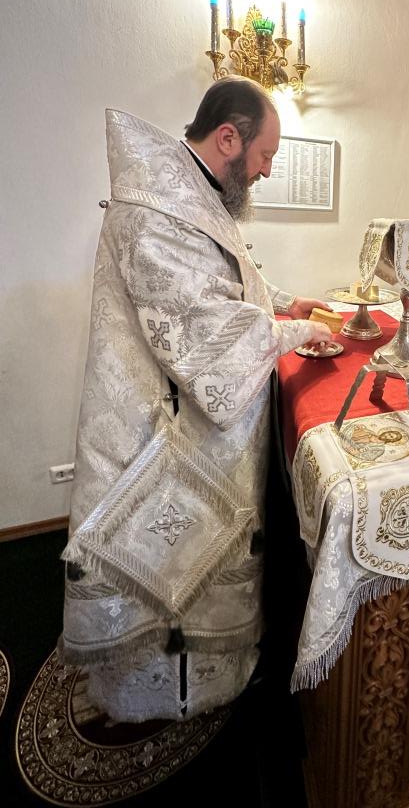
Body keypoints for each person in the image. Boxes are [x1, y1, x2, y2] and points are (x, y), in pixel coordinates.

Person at [60, 77, 332, 723]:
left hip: (182, 431)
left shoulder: (192, 192)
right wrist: (295, 332)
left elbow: (228, 280)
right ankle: (156, 695)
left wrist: (284, 302)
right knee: (163, 567)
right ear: (228, 138)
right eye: (265, 155)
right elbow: (201, 330)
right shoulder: (156, 209)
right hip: (158, 435)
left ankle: (200, 681)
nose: (267, 170)